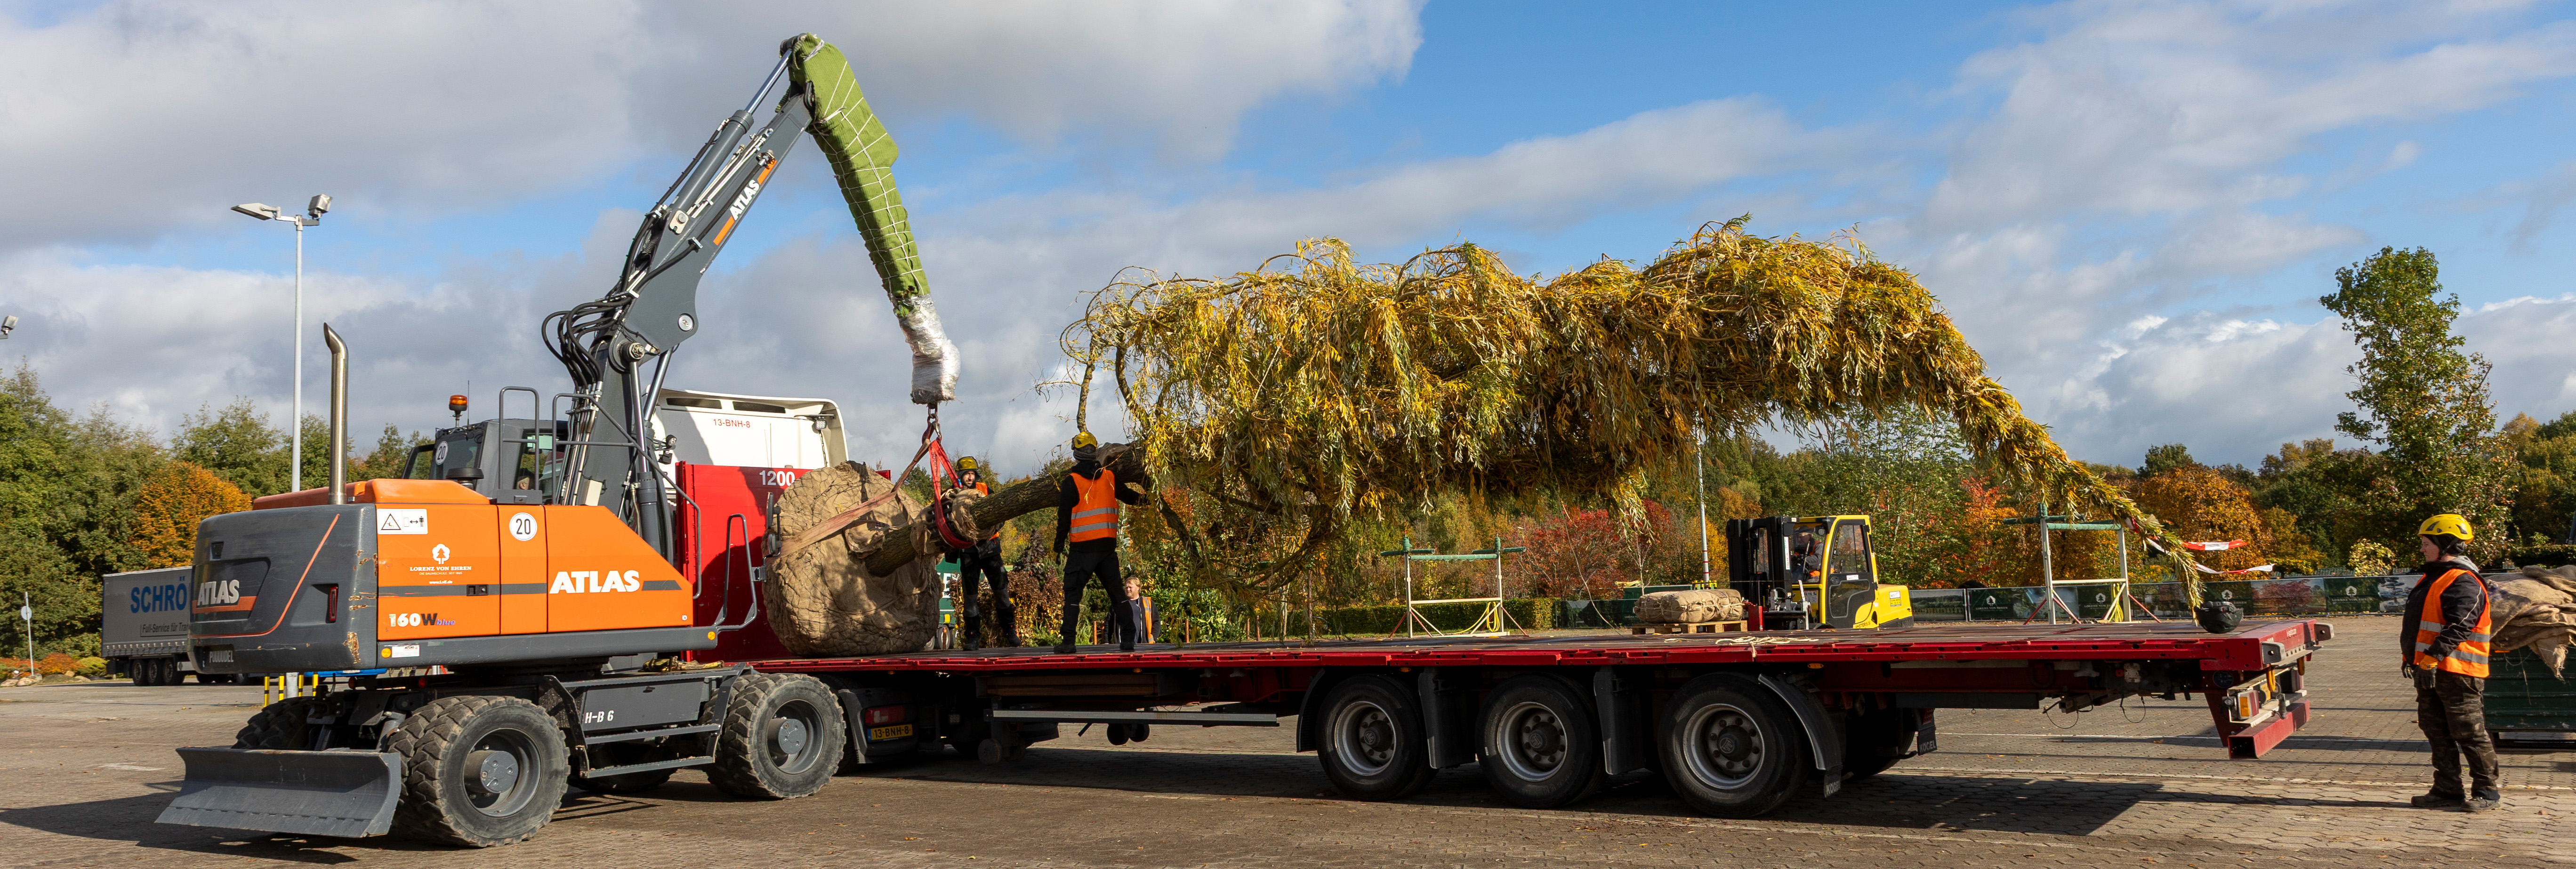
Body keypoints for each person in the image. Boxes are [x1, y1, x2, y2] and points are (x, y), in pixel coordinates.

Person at [2402, 513, 2499, 812]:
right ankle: (2447, 790)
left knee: (2469, 732)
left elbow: (2461, 625)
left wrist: (2432, 657)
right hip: (2430, 670)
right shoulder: (2433, 577)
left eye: (2426, 543)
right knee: (2436, 731)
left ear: (2446, 544)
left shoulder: (2463, 581)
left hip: (2458, 672)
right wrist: (2413, 660)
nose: (2422, 549)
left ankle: (2486, 792)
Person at [1054, 432, 1144, 653]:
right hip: (1106, 548)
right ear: (1095, 452)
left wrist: (1057, 547)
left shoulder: (1071, 482)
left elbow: (1064, 519)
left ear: (1076, 455)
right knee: (1117, 595)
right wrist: (1151, 500)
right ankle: (1129, 640)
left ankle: (1068, 643)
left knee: (1073, 597)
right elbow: (1131, 497)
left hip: (1081, 550)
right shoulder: (1110, 476)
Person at [949, 456, 1014, 651]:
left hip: (990, 548)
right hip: (968, 551)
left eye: (972, 474)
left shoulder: (986, 491)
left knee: (1002, 592)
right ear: (960, 476)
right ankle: (973, 638)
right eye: (966, 474)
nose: (970, 477)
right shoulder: (952, 495)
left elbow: (1000, 515)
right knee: (970, 597)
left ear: (976, 475)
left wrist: (990, 528)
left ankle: (1010, 631)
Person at [1107, 577, 1151, 649]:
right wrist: (1106, 641)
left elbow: (1156, 622)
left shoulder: (1147, 603)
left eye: (1130, 587)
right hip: (1122, 646)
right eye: (1126, 587)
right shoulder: (1119, 604)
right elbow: (1109, 623)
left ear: (1138, 588)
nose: (1128, 590)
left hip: (1144, 646)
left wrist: (1153, 639)